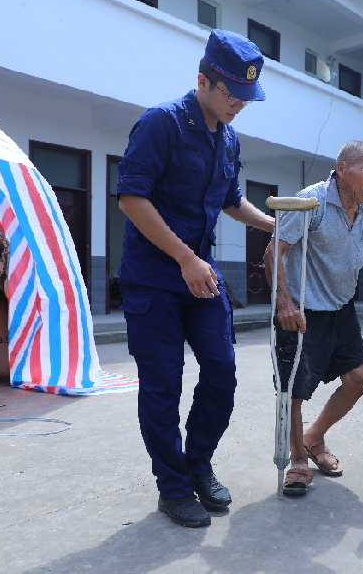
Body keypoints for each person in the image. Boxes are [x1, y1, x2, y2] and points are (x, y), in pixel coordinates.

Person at [116, 30, 275, 528]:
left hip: (200, 279)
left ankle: (196, 461)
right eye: (231, 96)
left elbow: (231, 199)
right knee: (163, 386)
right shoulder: (160, 124)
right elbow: (132, 198)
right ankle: (173, 487)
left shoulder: (228, 136)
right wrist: (186, 259)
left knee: (222, 373)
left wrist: (275, 223)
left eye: (246, 99)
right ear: (202, 80)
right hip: (156, 279)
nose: (238, 106)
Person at [263, 141, 363, 495]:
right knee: (295, 392)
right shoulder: (311, 202)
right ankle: (297, 461)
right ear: (342, 169)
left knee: (359, 379)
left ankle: (314, 437)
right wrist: (284, 303)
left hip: (341, 308)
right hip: (303, 310)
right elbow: (272, 252)